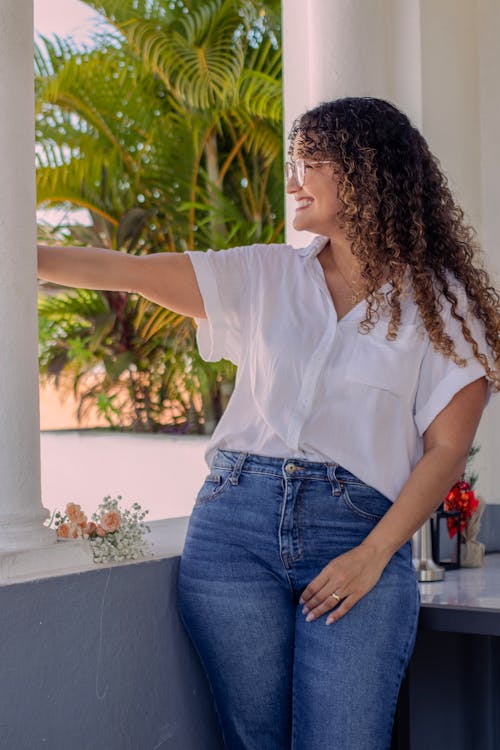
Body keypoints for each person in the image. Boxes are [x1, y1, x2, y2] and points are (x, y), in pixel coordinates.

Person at [38, 96, 500, 750]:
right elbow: (131, 273)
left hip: (360, 531)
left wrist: (373, 555)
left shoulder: (441, 302)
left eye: (310, 162)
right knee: (254, 741)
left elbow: (447, 450)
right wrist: (18, 250)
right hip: (234, 530)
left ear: (366, 170)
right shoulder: (266, 274)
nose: (292, 180)